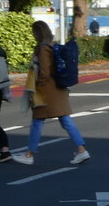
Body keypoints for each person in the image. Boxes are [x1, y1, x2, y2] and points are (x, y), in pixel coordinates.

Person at [17, 20, 91, 166]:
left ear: (37, 33)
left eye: (33, 32)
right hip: (58, 91)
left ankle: (29, 154)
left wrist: (38, 86)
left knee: (37, 122)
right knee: (66, 121)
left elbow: (44, 72)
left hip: (46, 93)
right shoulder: (52, 46)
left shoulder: (43, 49)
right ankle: (82, 150)